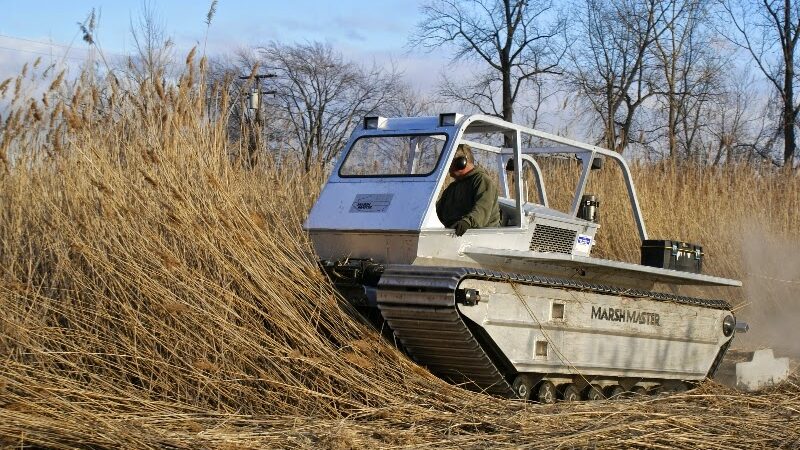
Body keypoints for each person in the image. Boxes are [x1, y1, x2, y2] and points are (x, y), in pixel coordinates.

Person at [436, 144, 501, 236]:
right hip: (455, 234)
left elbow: (482, 209)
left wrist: (466, 222)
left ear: (461, 163)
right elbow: (438, 210)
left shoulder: (482, 181)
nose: (446, 167)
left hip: (481, 236)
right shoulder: (452, 187)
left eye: (449, 162)